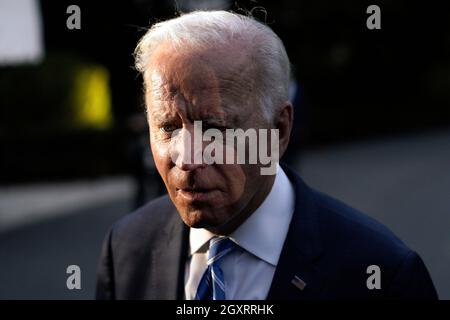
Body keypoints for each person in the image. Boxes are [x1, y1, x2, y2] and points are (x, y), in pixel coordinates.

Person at [95, 10, 438, 300]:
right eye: (168, 127)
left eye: (214, 129)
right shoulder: (127, 247)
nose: (185, 157)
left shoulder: (382, 273)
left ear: (280, 130)